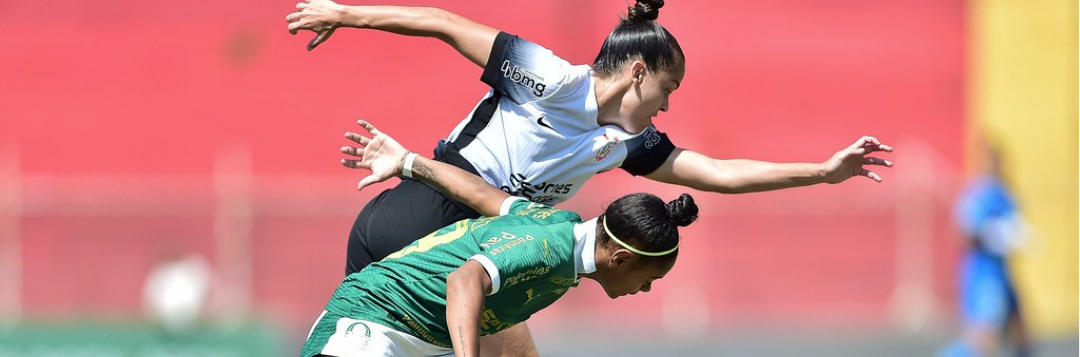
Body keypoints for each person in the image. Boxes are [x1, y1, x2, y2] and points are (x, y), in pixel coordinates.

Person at [286, 1, 893, 356]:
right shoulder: (549, 77)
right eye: (667, 89)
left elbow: (718, 172)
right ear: (636, 72)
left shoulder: (625, 144)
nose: (668, 105)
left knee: (517, 352)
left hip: (485, 236)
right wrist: (345, 12)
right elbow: (446, 23)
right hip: (423, 218)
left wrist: (821, 171)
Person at [302, 120, 699, 357]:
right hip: (369, 325)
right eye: (650, 279)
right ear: (621, 258)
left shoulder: (552, 228)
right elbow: (464, 281)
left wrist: (409, 163)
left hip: (408, 338)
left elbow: (481, 195)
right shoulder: (552, 247)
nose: (646, 290)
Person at [936, 145, 1031, 357]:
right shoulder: (978, 195)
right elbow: (962, 232)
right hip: (983, 273)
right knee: (983, 338)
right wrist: (990, 236)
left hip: (1002, 271)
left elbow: (1016, 227)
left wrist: (1019, 237)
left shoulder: (1005, 193)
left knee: (1020, 331)